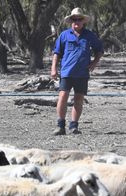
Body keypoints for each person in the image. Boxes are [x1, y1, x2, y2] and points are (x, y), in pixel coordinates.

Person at [50, 7, 104, 135]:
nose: (77, 21)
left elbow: (100, 50)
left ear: (83, 21)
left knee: (78, 99)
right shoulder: (64, 35)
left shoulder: (90, 35)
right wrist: (53, 69)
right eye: (74, 19)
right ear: (71, 21)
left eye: (79, 19)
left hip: (82, 74)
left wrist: (94, 63)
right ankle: (60, 126)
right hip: (66, 72)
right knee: (62, 97)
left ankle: (74, 126)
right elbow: (56, 53)